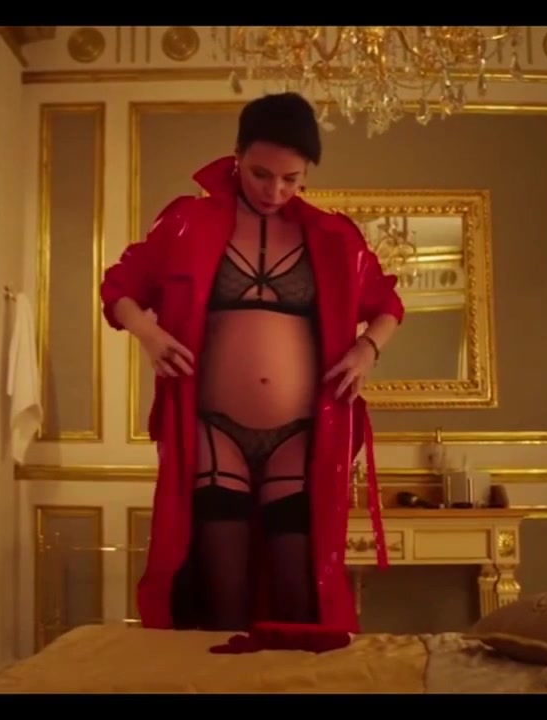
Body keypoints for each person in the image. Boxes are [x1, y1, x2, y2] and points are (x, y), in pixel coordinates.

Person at [99, 92, 404, 634]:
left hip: (301, 435)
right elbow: (119, 286)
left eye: (291, 179)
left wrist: (366, 350)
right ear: (237, 155)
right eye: (261, 174)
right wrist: (148, 333)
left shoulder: (333, 237)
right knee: (222, 601)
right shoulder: (188, 222)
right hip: (214, 430)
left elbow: (388, 305)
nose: (275, 191)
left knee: (299, 599)